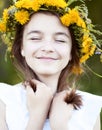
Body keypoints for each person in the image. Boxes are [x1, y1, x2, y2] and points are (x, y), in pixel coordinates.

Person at [0, 0, 102, 130]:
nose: (48, 48)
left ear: (71, 51)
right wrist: (37, 116)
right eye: (35, 38)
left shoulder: (89, 108)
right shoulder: (3, 100)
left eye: (60, 40)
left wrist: (59, 125)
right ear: (21, 47)